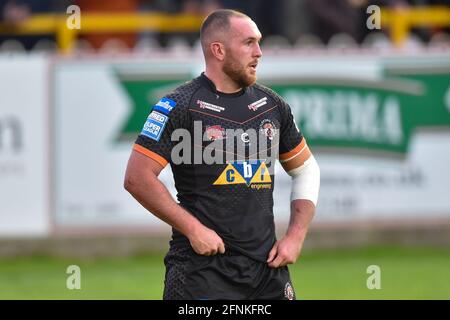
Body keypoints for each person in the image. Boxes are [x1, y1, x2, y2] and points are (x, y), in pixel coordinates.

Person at [124, 9, 320, 300]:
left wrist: (295, 237)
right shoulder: (179, 105)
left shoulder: (272, 105)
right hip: (201, 273)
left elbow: (306, 170)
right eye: (249, 43)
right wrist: (193, 230)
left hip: (267, 273)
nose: (259, 52)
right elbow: (137, 178)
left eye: (259, 42)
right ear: (218, 50)